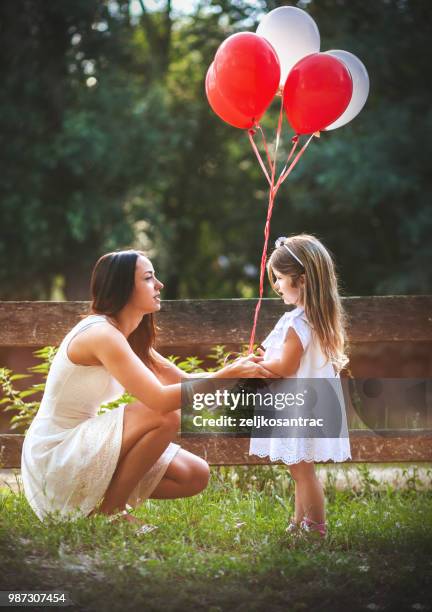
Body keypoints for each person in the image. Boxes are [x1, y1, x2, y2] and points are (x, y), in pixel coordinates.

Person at [21, 249, 276, 525]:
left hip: (82, 447)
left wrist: (238, 371)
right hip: (55, 454)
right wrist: (226, 375)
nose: (159, 285)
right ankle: (112, 514)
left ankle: (101, 506)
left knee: (194, 474)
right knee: (164, 415)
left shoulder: (124, 335)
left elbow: (181, 381)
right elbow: (161, 402)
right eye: (148, 278)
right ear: (123, 288)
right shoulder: (101, 334)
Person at [249, 234, 351, 538]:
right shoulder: (313, 319)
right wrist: (263, 358)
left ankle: (316, 529)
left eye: (280, 279)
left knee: (302, 472)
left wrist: (255, 366)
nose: (277, 286)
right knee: (300, 469)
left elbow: (284, 367)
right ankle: (298, 524)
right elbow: (281, 356)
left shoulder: (297, 322)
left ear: (302, 280)